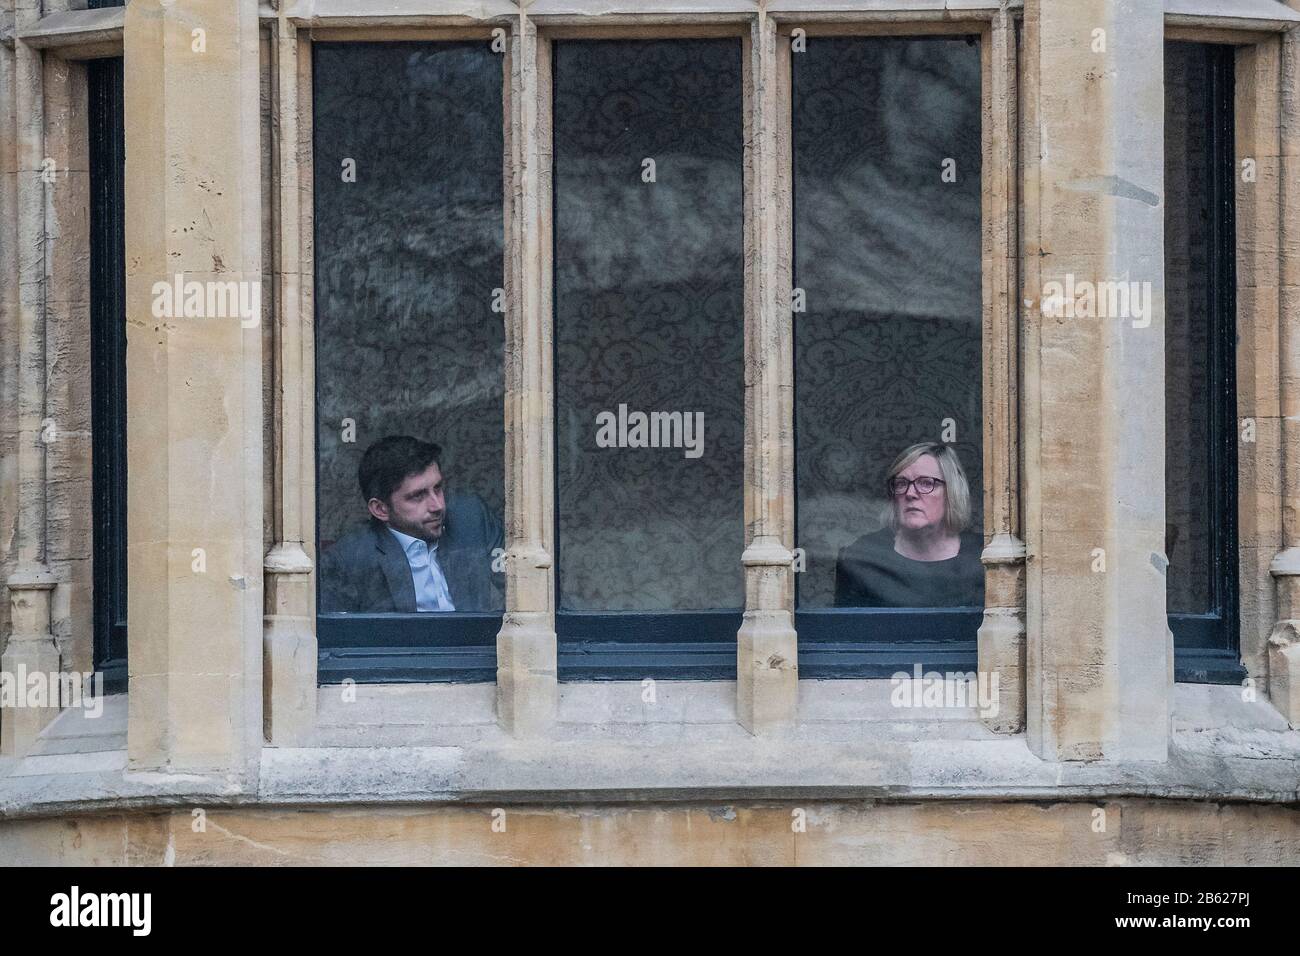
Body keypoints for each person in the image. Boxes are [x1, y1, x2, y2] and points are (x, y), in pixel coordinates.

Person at [319, 435, 504, 613]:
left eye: (437, 488)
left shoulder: (471, 517)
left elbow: (523, 590)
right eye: (418, 496)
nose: (438, 506)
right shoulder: (348, 560)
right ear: (380, 509)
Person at [834, 441, 984, 608]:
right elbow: (847, 630)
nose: (910, 493)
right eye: (901, 483)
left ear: (952, 492)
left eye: (926, 483)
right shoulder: (864, 555)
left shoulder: (983, 556)